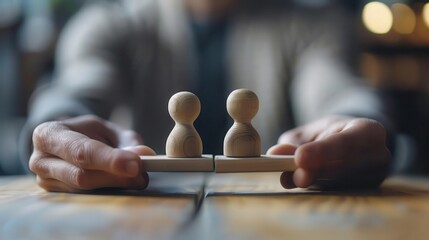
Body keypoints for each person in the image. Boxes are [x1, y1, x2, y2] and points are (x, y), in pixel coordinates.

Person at [20, 0, 392, 192]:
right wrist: (55, 132)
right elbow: (76, 91)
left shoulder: (316, 25)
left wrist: (355, 126)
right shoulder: (108, 24)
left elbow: (338, 91)